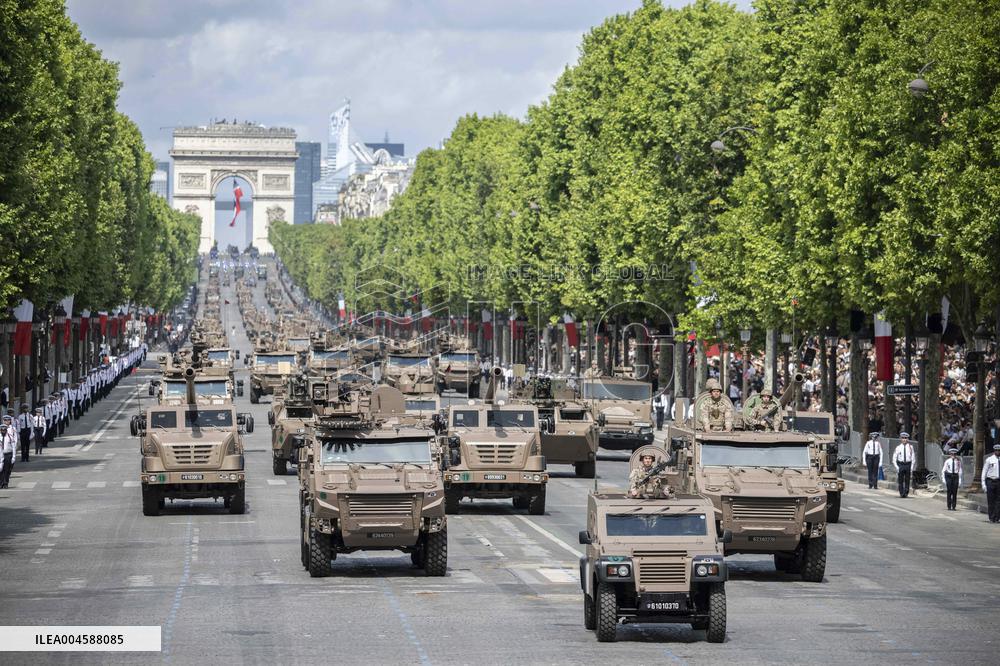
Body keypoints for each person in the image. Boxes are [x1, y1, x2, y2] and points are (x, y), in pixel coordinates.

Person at [892, 432, 915, 498]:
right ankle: (901, 492)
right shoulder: (898, 447)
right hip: (901, 464)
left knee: (907, 479)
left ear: (907, 439)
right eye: (903, 438)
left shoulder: (910, 447)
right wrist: (897, 467)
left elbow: (913, 457)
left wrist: (912, 467)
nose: (904, 439)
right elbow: (894, 458)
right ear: (901, 439)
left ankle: (906, 492)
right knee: (901, 480)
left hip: (908, 464)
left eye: (905, 438)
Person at [982, 444, 1000, 523]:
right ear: (994, 451)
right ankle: (991, 517)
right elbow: (984, 472)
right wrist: (983, 484)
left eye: (999, 450)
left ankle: (997, 517)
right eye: (996, 450)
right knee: (991, 500)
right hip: (990, 481)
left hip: (999, 481)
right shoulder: (989, 459)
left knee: (998, 501)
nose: (998, 452)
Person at [0, 416, 16, 488]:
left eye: (4, 430)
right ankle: (1, 483)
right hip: (0, 455)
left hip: (8, 454)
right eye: (2, 430)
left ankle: (5, 483)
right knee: (1, 470)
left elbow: (13, 447)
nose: (3, 431)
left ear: (6, 430)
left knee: (7, 470)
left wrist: (13, 457)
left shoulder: (10, 436)